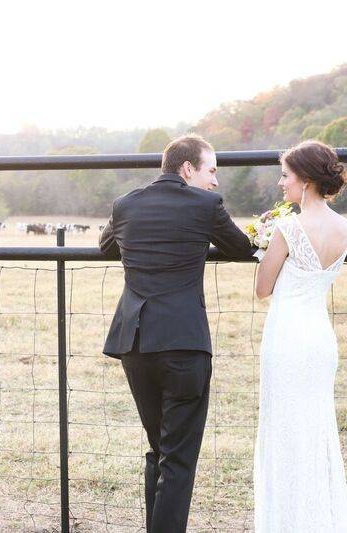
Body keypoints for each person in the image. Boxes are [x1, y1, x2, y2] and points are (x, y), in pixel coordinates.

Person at [99, 134, 254, 532]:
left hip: (135, 344)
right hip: (184, 344)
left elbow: (106, 247)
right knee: (179, 459)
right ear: (188, 169)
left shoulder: (126, 204)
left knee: (160, 449)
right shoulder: (205, 206)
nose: (215, 181)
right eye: (211, 170)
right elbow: (239, 247)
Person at [252, 139, 347, 532]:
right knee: (316, 428)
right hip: (319, 339)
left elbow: (262, 288)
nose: (282, 183)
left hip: (286, 338)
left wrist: (268, 246)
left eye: (286, 176)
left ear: (305, 181)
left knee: (284, 431)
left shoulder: (288, 227)